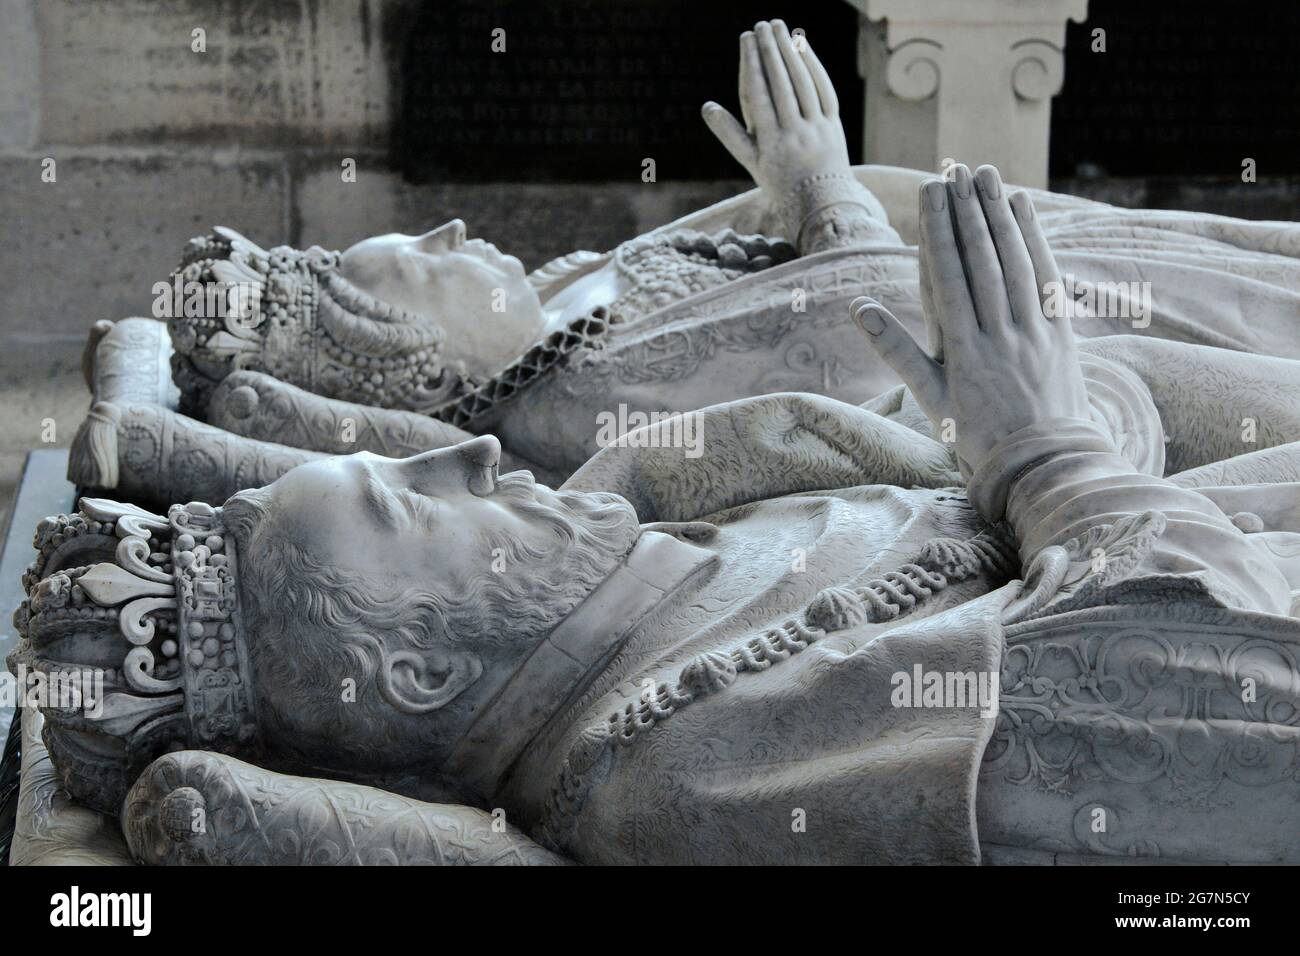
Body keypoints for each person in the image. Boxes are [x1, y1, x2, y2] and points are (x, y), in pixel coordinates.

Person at [14, 169, 1300, 865]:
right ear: (414, 668)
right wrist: (1045, 447)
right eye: (409, 506)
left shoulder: (634, 595)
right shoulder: (712, 758)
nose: (466, 456)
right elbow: (1222, 706)